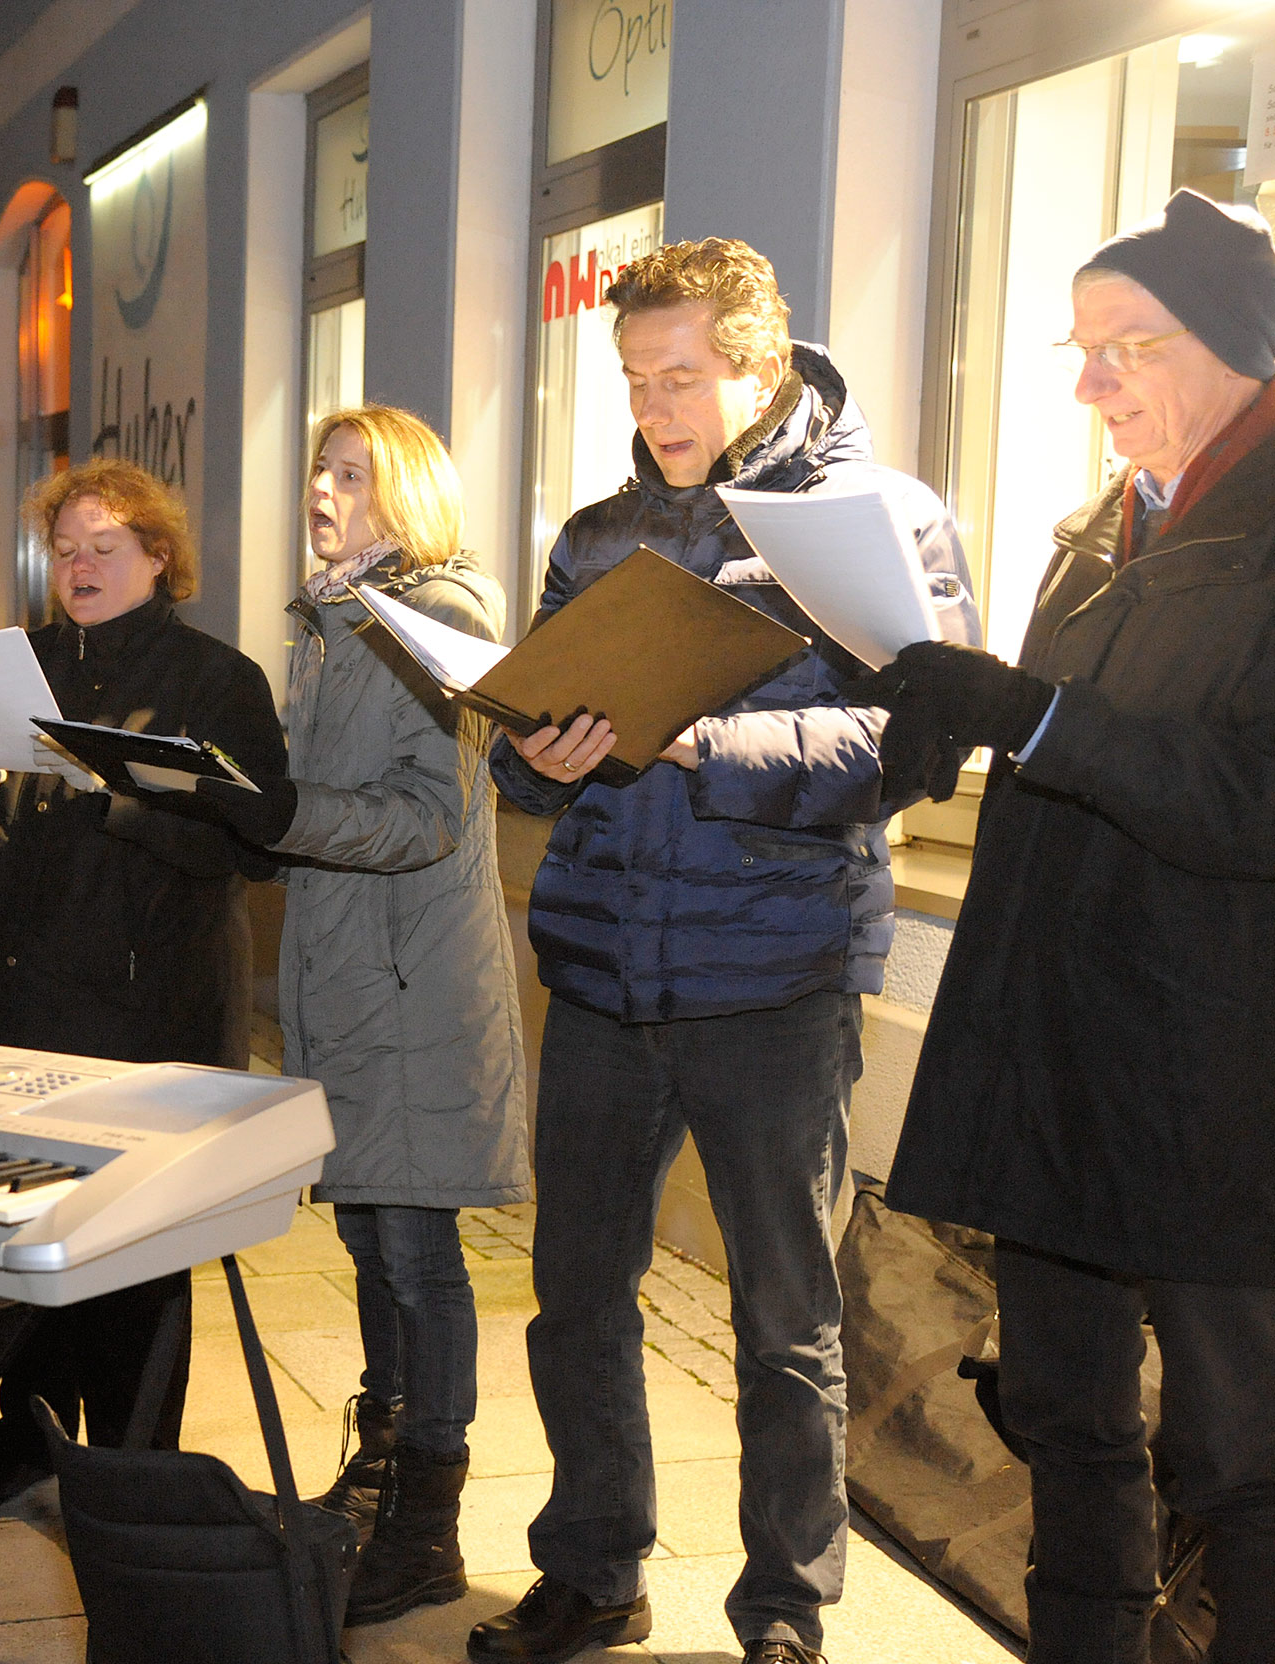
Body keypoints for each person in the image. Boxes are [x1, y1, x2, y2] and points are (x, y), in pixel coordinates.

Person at [469, 240, 977, 1664]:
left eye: (682, 376)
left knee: (783, 1319)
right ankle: (592, 1572)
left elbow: (920, 743)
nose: (657, 405)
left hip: (776, 970)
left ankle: (785, 1611)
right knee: (575, 1295)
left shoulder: (874, 519)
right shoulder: (597, 535)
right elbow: (527, 756)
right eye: (636, 379)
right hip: (602, 967)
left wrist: (706, 737)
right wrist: (541, 752)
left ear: (762, 364)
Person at [864, 189, 1275, 1664]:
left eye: (1125, 347)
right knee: (1063, 1416)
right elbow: (1064, 754)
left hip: (1218, 1073)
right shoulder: (1094, 533)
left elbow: (1249, 798)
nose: (1090, 383)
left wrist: (1033, 710)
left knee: (1243, 1461)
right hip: (1060, 1046)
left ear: (1236, 346)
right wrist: (943, 730)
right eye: (1079, 348)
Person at [171, 405, 530, 1627]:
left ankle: (426, 1521)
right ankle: (379, 1481)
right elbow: (317, 802)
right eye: (317, 470)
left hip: (413, 984)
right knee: (372, 1242)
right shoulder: (330, 621)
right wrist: (247, 807)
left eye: (348, 473)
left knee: (422, 1259)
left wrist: (277, 814)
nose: (320, 490)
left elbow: (425, 815)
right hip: (346, 979)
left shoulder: (441, 619)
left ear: (407, 492)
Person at [0, 459, 287, 1519]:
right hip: (0, 1001)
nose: (78, 566)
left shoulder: (218, 678)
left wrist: (115, 792)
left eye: (103, 546)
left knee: (129, 1262)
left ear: (157, 558)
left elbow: (245, 842)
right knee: (14, 1241)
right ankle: (27, 1437)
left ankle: (133, 1475)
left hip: (137, 1013)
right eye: (64, 548)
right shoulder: (9, 663)